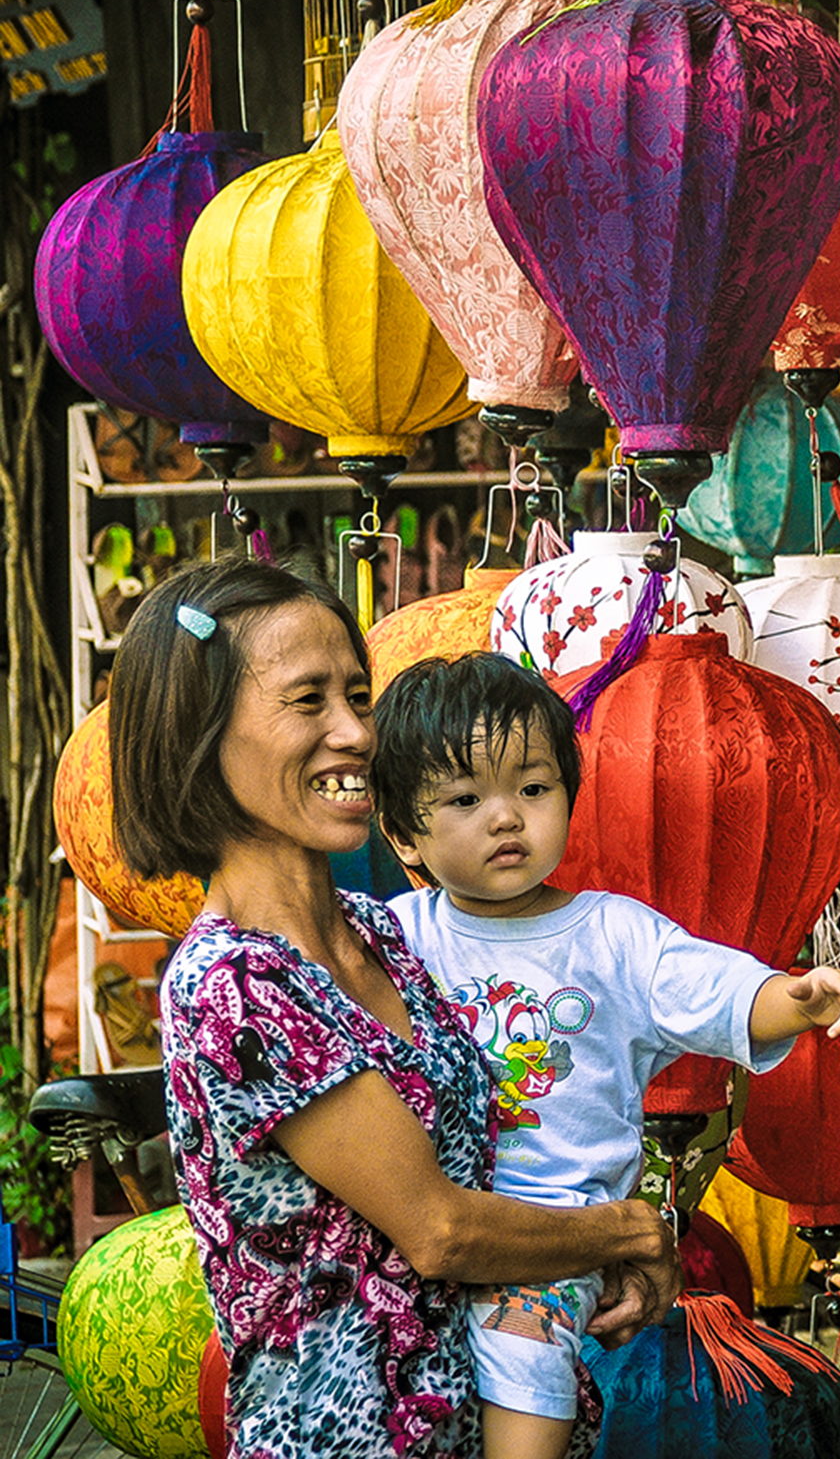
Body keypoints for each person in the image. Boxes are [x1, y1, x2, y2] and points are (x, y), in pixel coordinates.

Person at [119, 559, 681, 1459]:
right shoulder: (234, 983)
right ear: (202, 733)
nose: (354, 733)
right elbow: (442, 1228)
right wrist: (629, 1228)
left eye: (358, 693)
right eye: (308, 700)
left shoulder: (387, 933)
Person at [369, 650, 840, 1459]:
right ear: (404, 834)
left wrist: (796, 997)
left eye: (533, 788)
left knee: (524, 1358)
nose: (506, 817)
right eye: (466, 798)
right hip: (421, 1223)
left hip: (554, 1233)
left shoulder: (611, 933)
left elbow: (712, 986)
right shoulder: (396, 937)